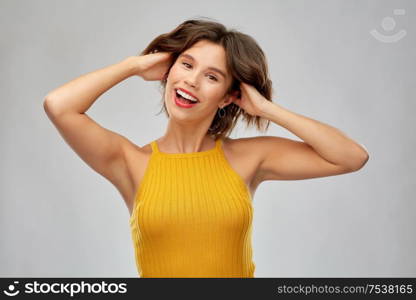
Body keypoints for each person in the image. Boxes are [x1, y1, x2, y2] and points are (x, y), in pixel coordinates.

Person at [43, 18, 369, 278]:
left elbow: (352, 157)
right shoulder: (130, 161)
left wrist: (268, 109)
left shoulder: (248, 158)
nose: (192, 81)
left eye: (212, 77)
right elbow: (59, 105)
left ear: (229, 96)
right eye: (186, 65)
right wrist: (133, 66)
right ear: (169, 70)